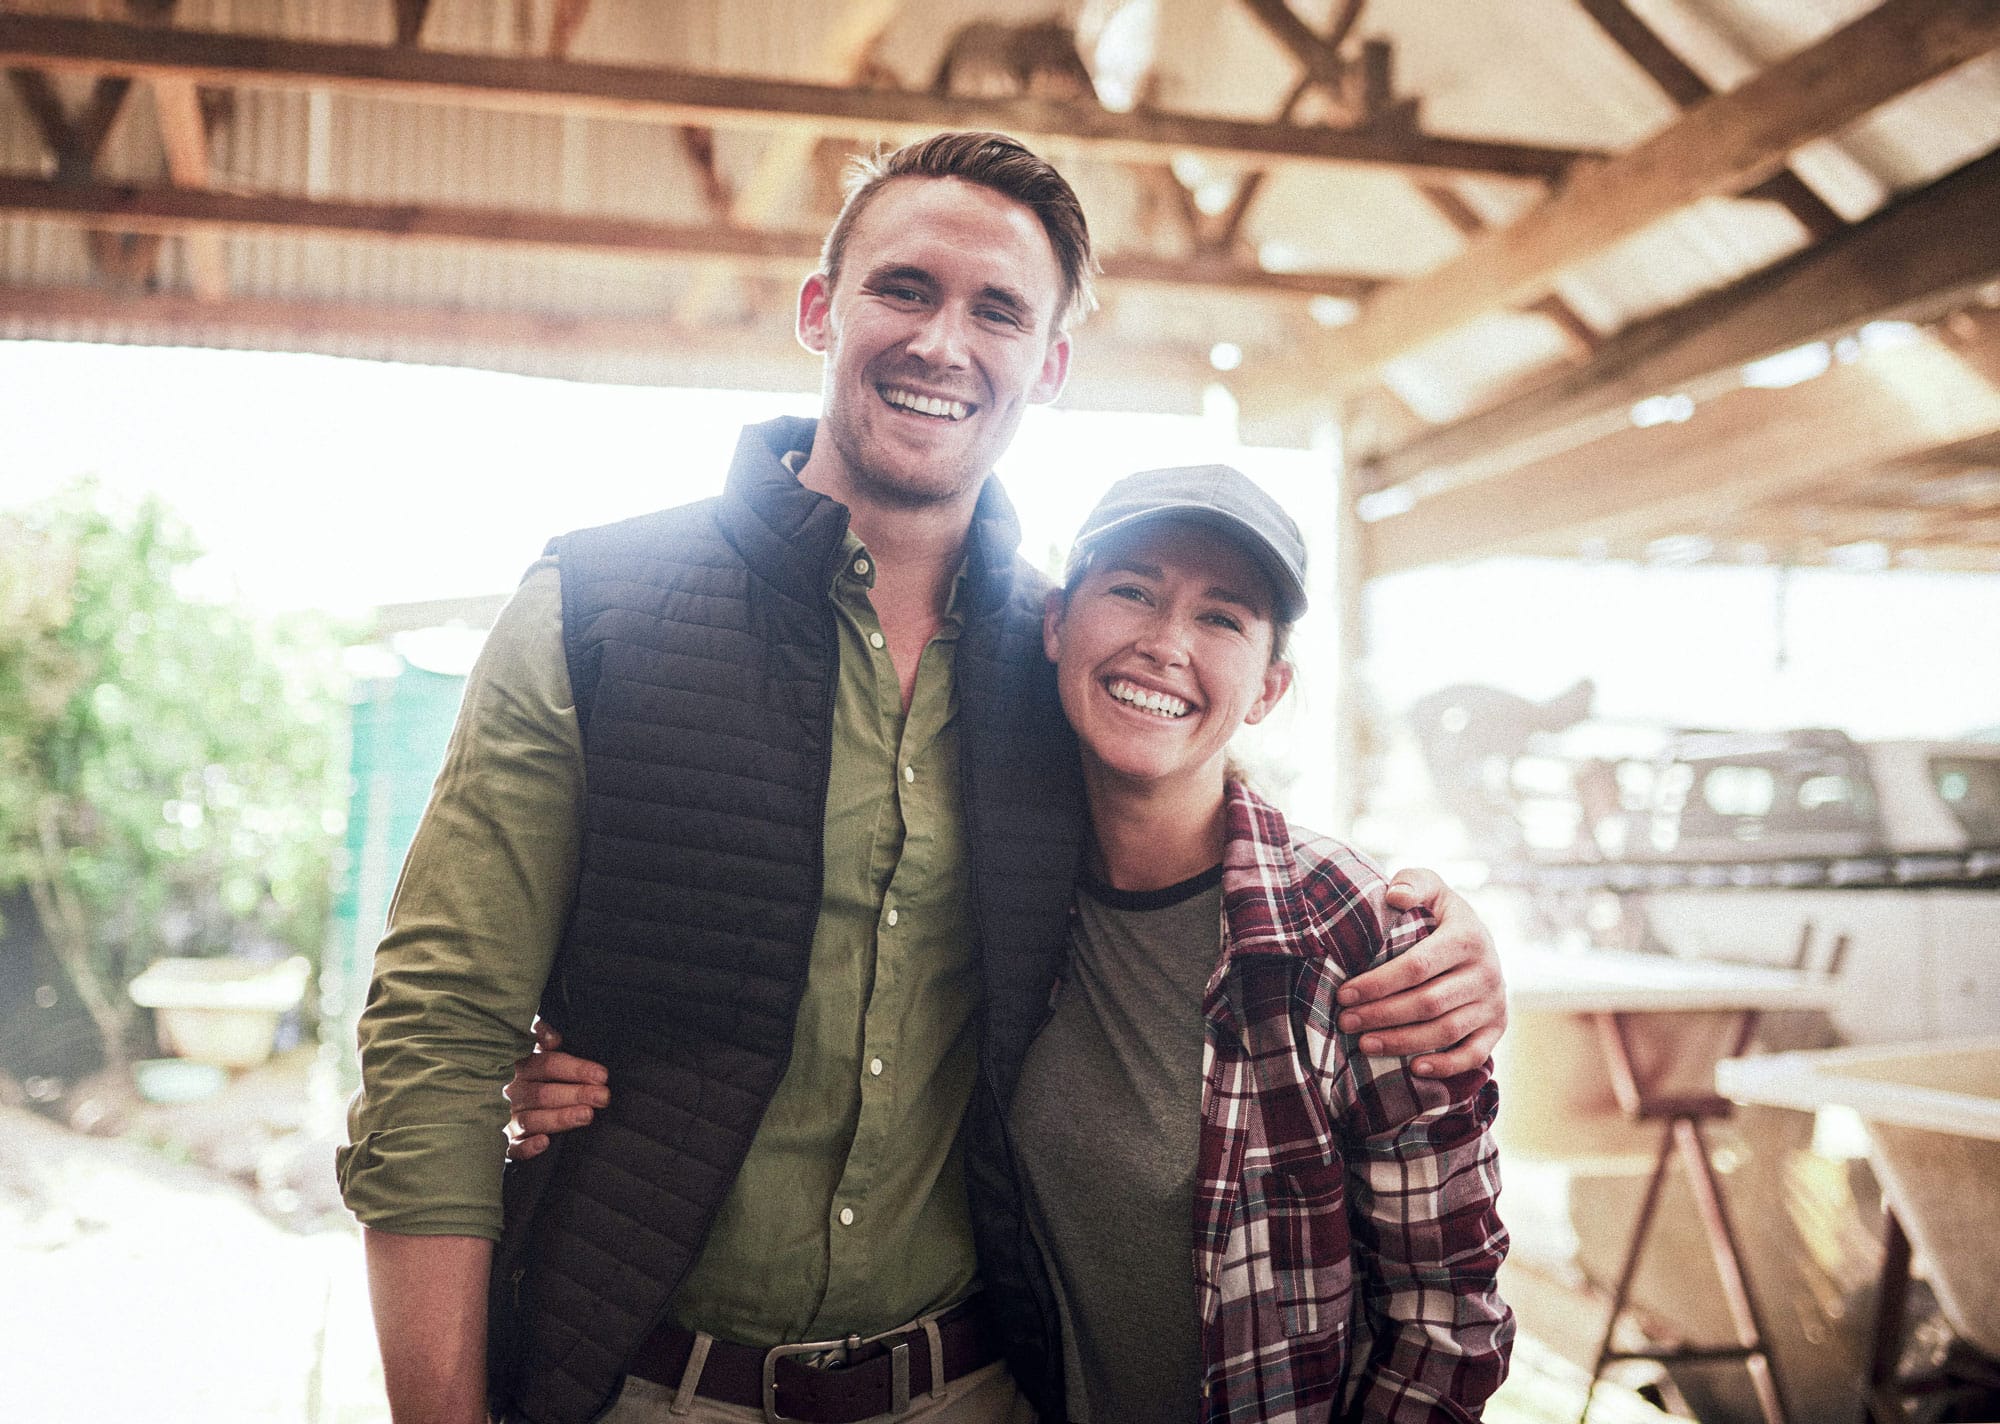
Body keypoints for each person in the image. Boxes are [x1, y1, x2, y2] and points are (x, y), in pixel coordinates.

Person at [339, 131, 1509, 1424]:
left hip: (965, 1388)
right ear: (817, 310)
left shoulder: (1056, 658)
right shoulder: (596, 609)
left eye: (999, 311)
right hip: (649, 1386)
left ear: (1050, 367)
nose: (946, 344)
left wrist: (1437, 935)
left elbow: (1200, 827)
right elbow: (438, 1037)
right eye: (905, 288)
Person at [517, 467, 1514, 1421]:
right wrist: (531, 1072)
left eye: (1221, 615)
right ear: (1052, 622)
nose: (1166, 642)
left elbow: (1447, 1314)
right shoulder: (998, 884)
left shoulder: (1350, 934)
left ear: (1267, 686)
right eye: (1131, 590)